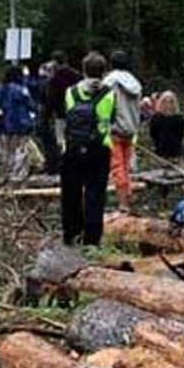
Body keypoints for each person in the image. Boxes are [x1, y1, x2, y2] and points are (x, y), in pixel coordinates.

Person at [60, 52, 115, 246]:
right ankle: (92, 240)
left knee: (70, 194)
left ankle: (70, 235)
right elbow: (112, 119)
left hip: (73, 148)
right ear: (103, 71)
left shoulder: (71, 92)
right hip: (99, 148)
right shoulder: (109, 93)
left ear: (83, 70)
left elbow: (66, 114)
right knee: (95, 194)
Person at [104, 51, 142, 212]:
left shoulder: (110, 82)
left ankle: (123, 204)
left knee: (117, 167)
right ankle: (127, 195)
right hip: (131, 129)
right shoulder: (135, 83)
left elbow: (105, 105)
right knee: (125, 166)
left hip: (115, 129)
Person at [0, 64, 38, 181]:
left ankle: (4, 175)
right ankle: (18, 175)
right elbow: (31, 106)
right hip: (22, 124)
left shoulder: (1, 89)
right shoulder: (21, 90)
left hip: (5, 124)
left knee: (5, 151)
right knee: (20, 149)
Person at [47, 51, 81, 152]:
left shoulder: (54, 78)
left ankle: (63, 158)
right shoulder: (77, 75)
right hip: (76, 112)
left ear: (55, 62)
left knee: (61, 140)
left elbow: (51, 99)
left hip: (60, 112)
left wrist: (47, 116)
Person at [149, 91, 184, 160]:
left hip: (175, 151)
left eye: (170, 102)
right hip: (160, 150)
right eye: (165, 101)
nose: (168, 104)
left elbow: (181, 135)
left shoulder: (179, 118)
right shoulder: (156, 117)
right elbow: (153, 133)